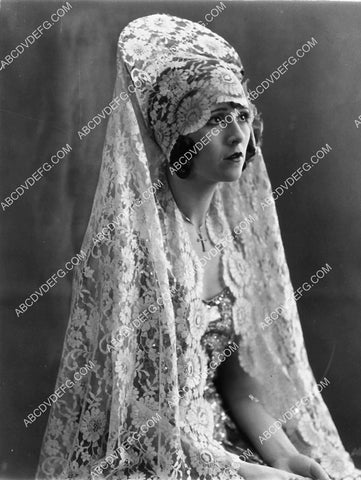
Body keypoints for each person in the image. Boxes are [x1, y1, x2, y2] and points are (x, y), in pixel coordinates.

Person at [36, 13, 361, 480]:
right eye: (216, 120)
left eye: (243, 116)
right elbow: (138, 413)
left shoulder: (227, 242)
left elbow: (233, 378)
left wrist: (282, 456)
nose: (237, 135)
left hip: (220, 435)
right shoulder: (141, 252)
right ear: (177, 134)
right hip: (151, 451)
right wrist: (243, 472)